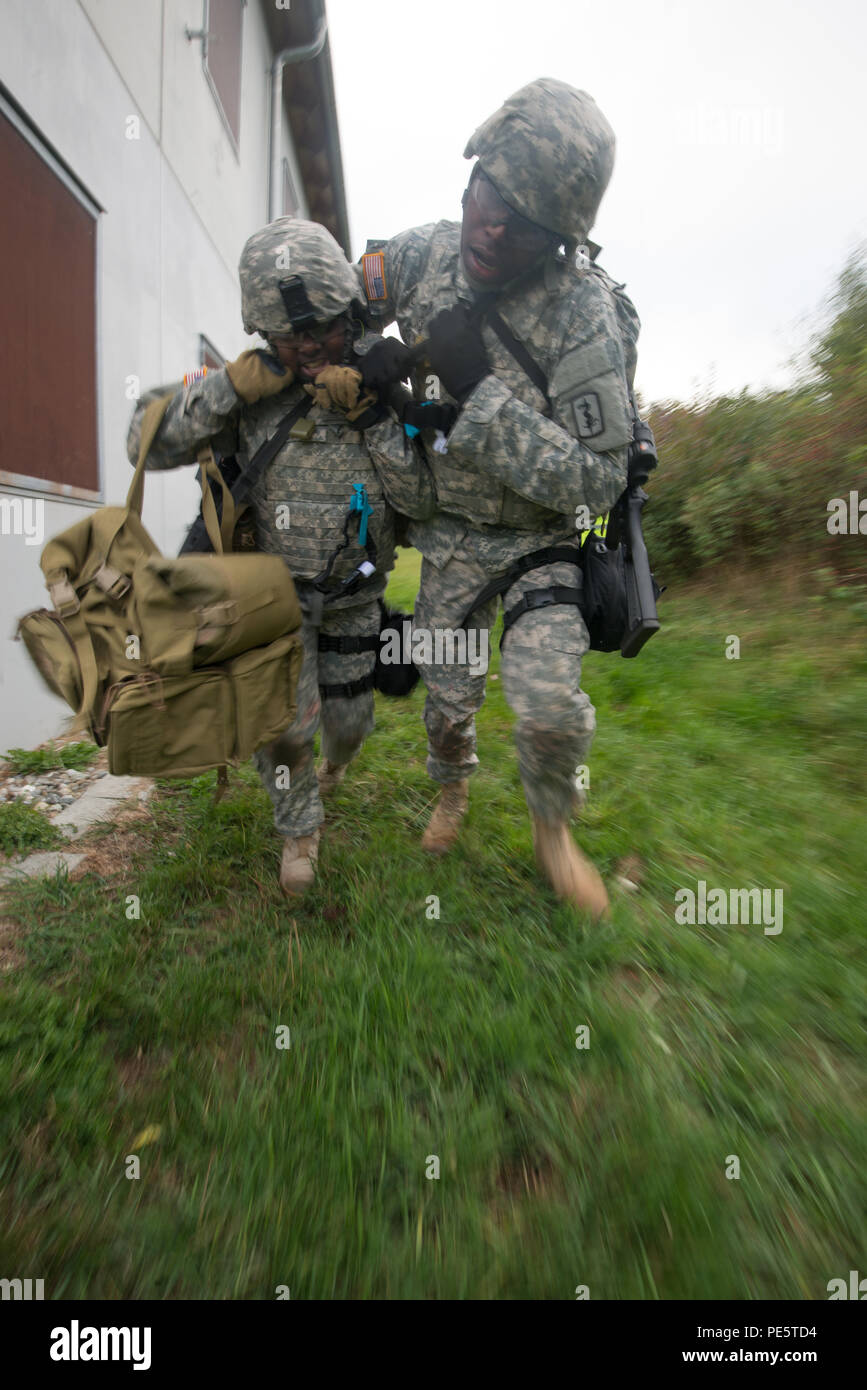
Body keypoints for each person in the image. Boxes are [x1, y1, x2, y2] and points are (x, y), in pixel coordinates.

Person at [358, 79, 641, 918]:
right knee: (446, 704)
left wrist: (478, 395)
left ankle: (553, 832)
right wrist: (369, 350)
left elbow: (598, 480)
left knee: (549, 699)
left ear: (559, 240)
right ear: (470, 174)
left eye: (523, 224)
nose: (494, 229)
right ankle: (452, 789)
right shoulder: (421, 255)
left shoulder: (581, 312)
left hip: (536, 544)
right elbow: (347, 301)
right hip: (449, 540)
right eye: (489, 198)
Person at [127, 218, 431, 896]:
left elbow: (422, 498)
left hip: (355, 597)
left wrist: (374, 414)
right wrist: (227, 390)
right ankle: (299, 829)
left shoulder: (378, 378)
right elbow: (143, 441)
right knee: (288, 729)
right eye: (291, 337)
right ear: (264, 332)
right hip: (274, 602)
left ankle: (335, 770)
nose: (311, 347)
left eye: (322, 329)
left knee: (348, 723)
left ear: (346, 311)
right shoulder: (250, 387)